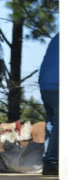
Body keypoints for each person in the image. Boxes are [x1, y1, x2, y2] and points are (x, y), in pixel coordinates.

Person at [38, 33, 59, 176]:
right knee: (60, 125)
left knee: (52, 123)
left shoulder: (58, 36)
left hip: (45, 84)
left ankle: (49, 163)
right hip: (58, 84)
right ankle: (52, 163)